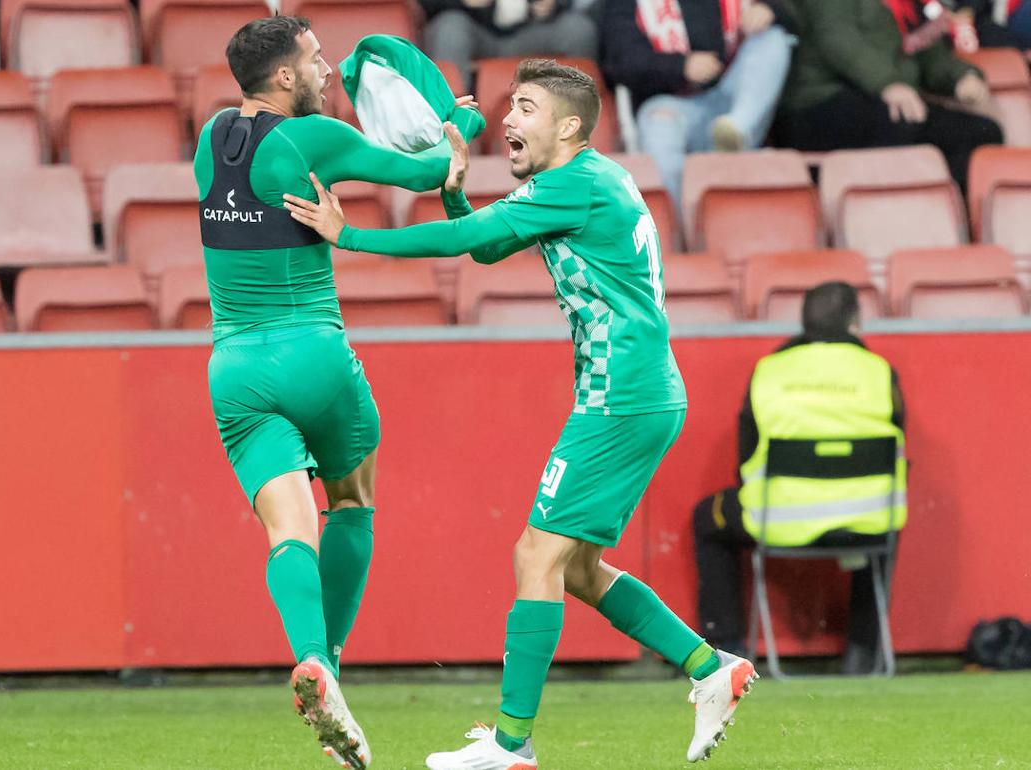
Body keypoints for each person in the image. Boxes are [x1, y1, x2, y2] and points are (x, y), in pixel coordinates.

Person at [285, 58, 757, 769]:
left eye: (526, 108)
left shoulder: (573, 184)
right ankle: (708, 668)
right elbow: (485, 245)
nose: (508, 119)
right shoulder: (584, 181)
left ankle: (511, 746)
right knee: (577, 568)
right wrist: (450, 192)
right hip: (636, 390)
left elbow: (458, 245)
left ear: (568, 126)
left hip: (620, 395)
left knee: (535, 555)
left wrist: (349, 238)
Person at [195, 17, 483, 769]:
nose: (328, 71)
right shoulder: (307, 140)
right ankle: (336, 664)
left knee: (289, 530)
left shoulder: (212, 139)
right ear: (285, 77)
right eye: (316, 61)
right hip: (315, 356)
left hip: (234, 372)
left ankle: (311, 660)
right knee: (351, 504)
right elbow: (424, 174)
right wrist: (461, 121)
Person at [691, 282, 907, 675]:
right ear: (856, 322)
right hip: (868, 521)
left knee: (708, 517)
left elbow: (745, 458)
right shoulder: (880, 371)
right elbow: (897, 453)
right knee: (887, 521)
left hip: (779, 520)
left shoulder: (769, 370)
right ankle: (863, 653)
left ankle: (724, 654)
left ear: (803, 323)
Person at [775, 0, 1003, 195]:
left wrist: (961, 78)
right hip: (819, 102)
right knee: (898, 125)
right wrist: (888, 84)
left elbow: (928, 52)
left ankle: (947, 223)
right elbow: (837, 39)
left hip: (882, 104)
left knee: (981, 134)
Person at [599, 0, 797, 207]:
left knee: (772, 39)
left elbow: (791, 20)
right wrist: (681, 66)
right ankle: (681, 228)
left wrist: (768, 10)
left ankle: (734, 133)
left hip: (732, 98)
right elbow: (621, 60)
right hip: (671, 105)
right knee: (660, 128)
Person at [422, 0, 600, 88]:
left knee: (579, 30)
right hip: (473, 30)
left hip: (531, 31)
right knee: (450, 29)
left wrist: (553, 4)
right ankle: (452, 121)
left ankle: (578, 116)